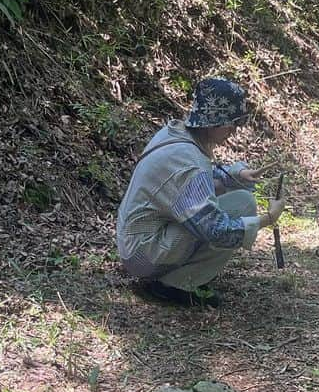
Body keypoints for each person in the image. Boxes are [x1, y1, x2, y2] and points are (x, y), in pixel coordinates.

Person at [116, 77, 286, 306]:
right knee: (242, 205)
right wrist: (268, 218)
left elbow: (196, 187)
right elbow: (215, 229)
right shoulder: (188, 163)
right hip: (142, 255)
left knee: (240, 199)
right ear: (215, 121)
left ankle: (175, 277)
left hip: (136, 243)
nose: (235, 130)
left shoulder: (175, 133)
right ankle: (175, 285)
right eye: (233, 123)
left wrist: (236, 176)